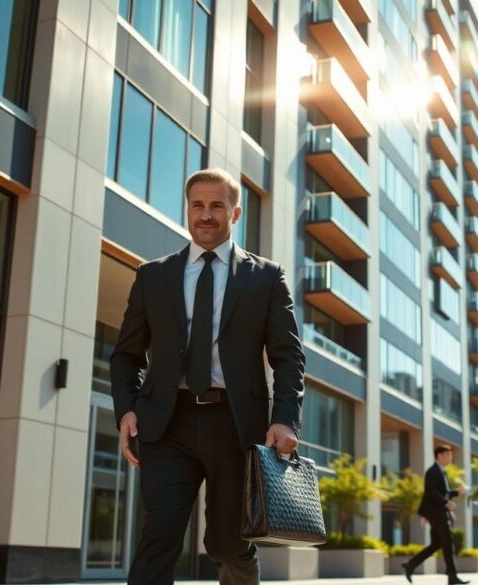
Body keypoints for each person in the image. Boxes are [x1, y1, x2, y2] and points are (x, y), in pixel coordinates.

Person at [110, 168, 305, 585]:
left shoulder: (266, 277)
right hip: (166, 422)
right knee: (159, 535)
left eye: (217, 205)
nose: (206, 214)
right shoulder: (153, 275)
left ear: (235, 213)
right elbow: (126, 355)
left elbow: (288, 356)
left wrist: (285, 417)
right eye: (197, 205)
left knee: (227, 543)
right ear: (187, 210)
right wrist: (126, 408)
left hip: (235, 426)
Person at [402, 445, 469, 585]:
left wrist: (457, 492)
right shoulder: (433, 471)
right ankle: (452, 576)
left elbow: (442, 492)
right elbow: (430, 491)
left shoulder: (441, 472)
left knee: (437, 543)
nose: (451, 457)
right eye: (448, 455)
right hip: (436, 512)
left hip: (436, 512)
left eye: (451, 455)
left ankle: (411, 564)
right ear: (439, 456)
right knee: (448, 541)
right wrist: (446, 503)